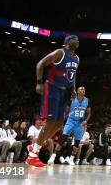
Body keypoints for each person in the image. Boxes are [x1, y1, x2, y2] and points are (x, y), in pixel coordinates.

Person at [26, 35, 80, 167]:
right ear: (67, 42)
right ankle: (33, 155)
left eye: (78, 40)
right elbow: (40, 64)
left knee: (59, 123)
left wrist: (73, 90)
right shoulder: (60, 53)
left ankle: (34, 147)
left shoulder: (77, 58)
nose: (77, 41)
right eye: (74, 39)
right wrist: (39, 83)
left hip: (65, 92)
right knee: (50, 121)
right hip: (52, 89)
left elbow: (72, 75)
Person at [60, 86, 90, 166]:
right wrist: (63, 119)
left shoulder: (87, 100)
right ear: (77, 91)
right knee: (64, 137)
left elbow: (89, 112)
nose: (83, 90)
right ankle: (53, 155)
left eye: (84, 89)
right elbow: (66, 110)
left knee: (77, 142)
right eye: (81, 89)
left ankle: (71, 159)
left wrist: (86, 120)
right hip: (71, 120)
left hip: (80, 122)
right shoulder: (72, 99)